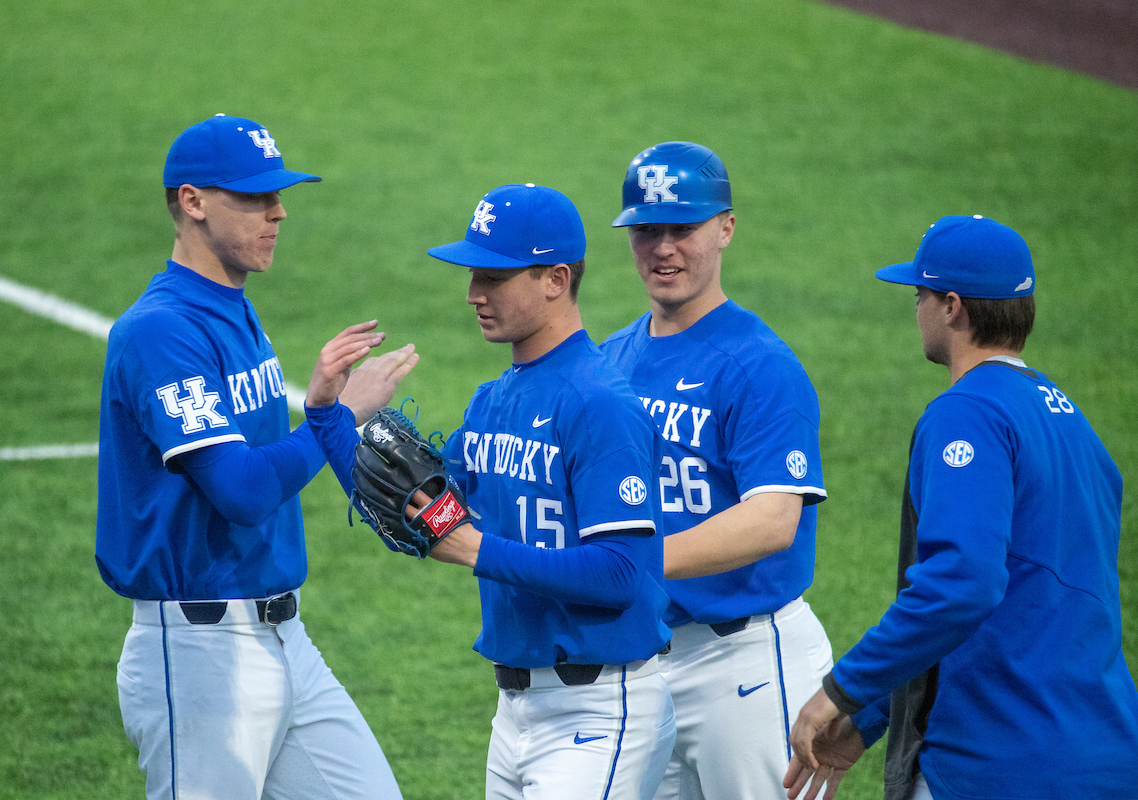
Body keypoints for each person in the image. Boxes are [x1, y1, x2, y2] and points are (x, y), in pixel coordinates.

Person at [96, 113, 416, 800]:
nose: (278, 212)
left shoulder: (234, 308)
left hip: (283, 638)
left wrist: (327, 414)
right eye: (254, 198)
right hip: (201, 656)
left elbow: (276, 463)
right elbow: (240, 491)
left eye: (278, 195)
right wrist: (339, 415)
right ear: (192, 201)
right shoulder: (163, 332)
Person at [784, 215, 1138, 800]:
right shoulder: (1070, 421)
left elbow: (962, 584)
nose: (917, 310)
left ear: (952, 306)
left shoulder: (969, 413)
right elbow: (1029, 596)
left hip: (999, 763)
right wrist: (874, 715)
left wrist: (840, 692)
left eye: (919, 294)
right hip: (1102, 756)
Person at [425, 183, 675, 799]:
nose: (473, 294)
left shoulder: (598, 403)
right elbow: (433, 516)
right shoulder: (494, 397)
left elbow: (621, 574)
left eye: (494, 276)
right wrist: (335, 419)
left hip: (598, 710)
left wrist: (476, 551)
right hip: (513, 710)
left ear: (556, 279)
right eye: (473, 274)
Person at [600, 141, 834, 800]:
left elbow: (771, 521)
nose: (664, 248)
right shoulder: (610, 360)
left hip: (751, 665)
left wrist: (634, 563)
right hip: (646, 664)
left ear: (725, 227)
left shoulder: (761, 365)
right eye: (647, 230)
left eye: (684, 229)